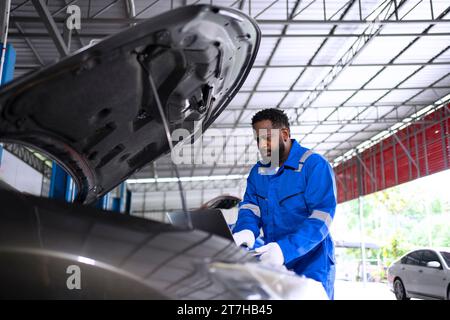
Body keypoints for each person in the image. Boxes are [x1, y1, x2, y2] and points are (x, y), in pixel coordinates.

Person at [232, 108, 337, 299]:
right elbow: (250, 207)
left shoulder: (314, 166)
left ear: (285, 134)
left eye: (267, 138)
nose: (263, 145)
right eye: (258, 140)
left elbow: (321, 217)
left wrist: (285, 249)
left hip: (312, 264)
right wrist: (246, 230)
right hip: (275, 262)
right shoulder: (259, 172)